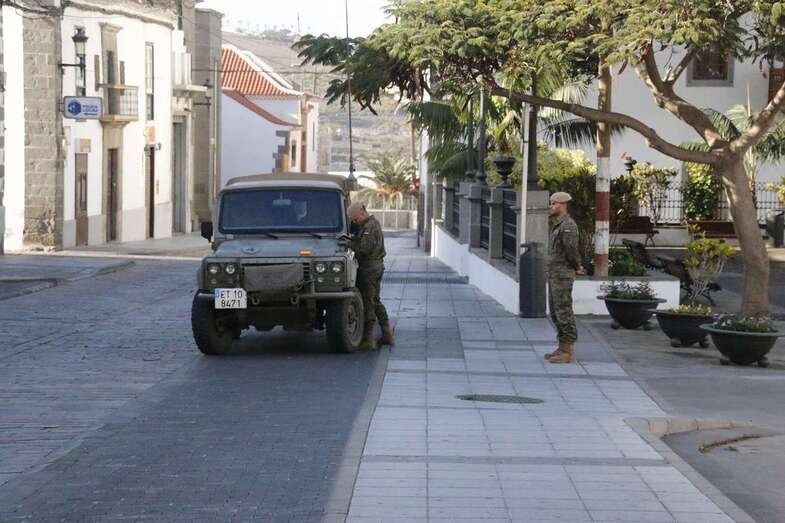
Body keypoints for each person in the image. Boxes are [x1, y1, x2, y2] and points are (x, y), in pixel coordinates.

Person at [543, 192, 586, 364]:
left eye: (553, 204)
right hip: (555, 275)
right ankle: (562, 347)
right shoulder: (558, 225)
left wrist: (578, 266)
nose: (550, 206)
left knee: (564, 312)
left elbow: (571, 251)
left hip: (562, 275)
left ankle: (568, 350)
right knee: (555, 312)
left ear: (561, 205)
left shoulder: (568, 226)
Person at [345, 202, 394, 351]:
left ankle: (368, 339)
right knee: (374, 300)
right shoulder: (368, 225)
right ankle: (386, 333)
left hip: (370, 268)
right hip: (373, 267)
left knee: (368, 302)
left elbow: (364, 249)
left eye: (355, 219)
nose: (354, 222)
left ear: (362, 213)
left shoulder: (370, 227)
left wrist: (349, 243)